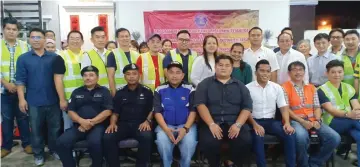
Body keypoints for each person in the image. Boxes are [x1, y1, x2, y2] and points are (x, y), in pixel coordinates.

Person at [195, 55, 253, 167]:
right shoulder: (204, 84)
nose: (223, 68)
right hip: (212, 122)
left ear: (231, 68)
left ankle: (233, 163)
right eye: (220, 65)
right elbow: (200, 105)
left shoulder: (240, 86)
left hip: (234, 122)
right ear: (215, 67)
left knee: (245, 140)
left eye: (227, 65)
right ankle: (215, 164)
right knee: (209, 142)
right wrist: (211, 124)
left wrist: (238, 124)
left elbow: (247, 107)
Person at [16, 28, 60, 166]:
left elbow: (59, 80)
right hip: (33, 101)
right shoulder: (23, 58)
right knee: (36, 129)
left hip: (53, 100)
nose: (36, 40)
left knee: (55, 128)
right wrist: (22, 99)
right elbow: (20, 80)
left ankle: (54, 150)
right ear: (29, 39)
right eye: (33, 37)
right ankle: (38, 153)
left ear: (44, 39)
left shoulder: (54, 58)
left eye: (38, 37)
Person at [283, 61, 340, 167]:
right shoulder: (284, 88)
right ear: (289, 73)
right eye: (294, 70)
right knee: (301, 138)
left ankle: (314, 162)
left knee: (334, 138)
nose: (298, 72)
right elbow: (286, 109)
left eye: (300, 70)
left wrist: (318, 120)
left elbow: (317, 106)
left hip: (313, 120)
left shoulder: (311, 87)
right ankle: (303, 164)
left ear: (304, 72)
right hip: (295, 121)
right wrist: (302, 122)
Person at [56, 66, 112, 167]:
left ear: (97, 77)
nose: (88, 78)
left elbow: (108, 111)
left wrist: (91, 123)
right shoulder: (77, 92)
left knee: (95, 142)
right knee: (61, 142)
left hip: (98, 126)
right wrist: (81, 121)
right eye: (85, 75)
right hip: (79, 125)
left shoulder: (104, 91)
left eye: (91, 75)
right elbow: (71, 111)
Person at [246, 59, 296, 167]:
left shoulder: (277, 88)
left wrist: (287, 123)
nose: (265, 73)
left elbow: (283, 107)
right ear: (256, 73)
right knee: (258, 137)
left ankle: (291, 165)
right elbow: (245, 110)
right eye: (262, 71)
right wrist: (255, 125)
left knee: (289, 134)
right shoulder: (247, 88)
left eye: (268, 71)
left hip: (271, 122)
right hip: (254, 121)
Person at [103, 63, 153, 167]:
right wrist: (112, 123)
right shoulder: (120, 93)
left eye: (134, 74)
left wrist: (147, 121)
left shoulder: (147, 91)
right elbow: (115, 112)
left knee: (147, 136)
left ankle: (141, 165)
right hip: (123, 124)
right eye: (128, 74)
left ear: (139, 75)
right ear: (125, 77)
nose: (131, 76)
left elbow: (152, 109)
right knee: (108, 137)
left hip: (140, 124)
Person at [153, 61, 197, 167]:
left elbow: (193, 111)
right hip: (166, 125)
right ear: (167, 74)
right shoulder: (159, 89)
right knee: (162, 141)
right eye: (171, 72)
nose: (174, 75)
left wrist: (185, 128)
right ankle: (167, 163)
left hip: (186, 125)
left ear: (182, 75)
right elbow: (157, 112)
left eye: (178, 72)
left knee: (189, 143)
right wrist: (166, 129)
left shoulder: (190, 88)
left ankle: (184, 164)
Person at [318, 59, 360, 167]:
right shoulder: (321, 90)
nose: (337, 75)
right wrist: (349, 115)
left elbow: (356, 106)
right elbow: (331, 110)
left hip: (349, 121)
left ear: (343, 73)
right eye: (333, 72)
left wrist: (356, 113)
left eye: (340, 72)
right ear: (327, 73)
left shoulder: (348, 87)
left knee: (359, 135)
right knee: (355, 123)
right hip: (331, 122)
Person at [1, 17, 32, 158]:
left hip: (22, 91)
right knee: (6, 119)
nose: (11, 32)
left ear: (18, 31)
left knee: (23, 117)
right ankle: (6, 146)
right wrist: (5, 83)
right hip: (3, 90)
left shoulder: (25, 46)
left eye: (14, 29)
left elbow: (29, 68)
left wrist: (19, 85)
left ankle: (27, 144)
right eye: (8, 29)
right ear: (3, 30)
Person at [56, 30, 85, 130]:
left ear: (82, 41)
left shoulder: (87, 55)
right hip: (69, 99)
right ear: (67, 41)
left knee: (84, 126)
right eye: (72, 39)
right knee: (69, 127)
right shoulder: (61, 56)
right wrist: (62, 99)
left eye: (78, 39)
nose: (75, 41)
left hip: (86, 98)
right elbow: (58, 79)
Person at [107, 28, 139, 96]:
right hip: (120, 92)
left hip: (136, 91)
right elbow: (110, 76)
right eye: (122, 36)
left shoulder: (136, 54)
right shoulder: (112, 54)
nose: (125, 38)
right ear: (117, 39)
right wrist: (114, 94)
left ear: (130, 38)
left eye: (127, 36)